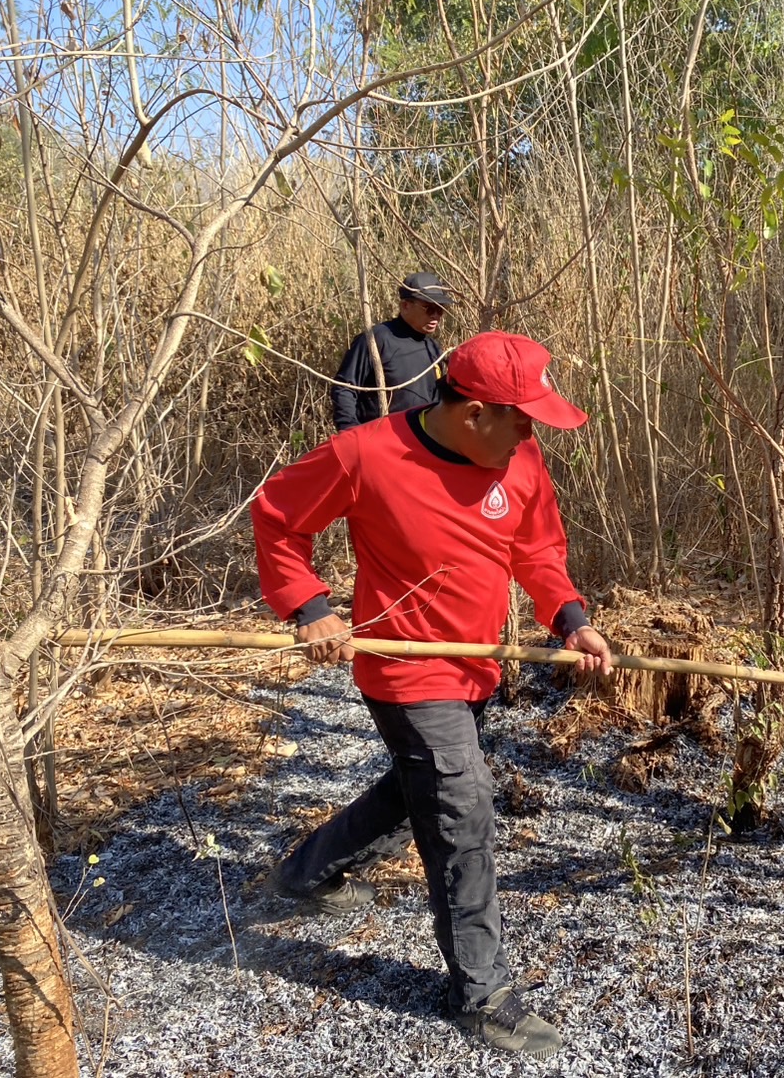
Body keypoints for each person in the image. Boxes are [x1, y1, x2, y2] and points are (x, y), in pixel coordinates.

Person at [254, 330, 612, 1059]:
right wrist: (309, 606)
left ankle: (304, 872)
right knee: (460, 808)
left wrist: (570, 618)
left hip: (475, 665)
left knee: (419, 786)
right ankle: (483, 995)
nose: (531, 431)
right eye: (521, 417)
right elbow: (277, 517)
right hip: (405, 670)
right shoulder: (367, 455)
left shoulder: (518, 457)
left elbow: (537, 549)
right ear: (473, 411)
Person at [330, 271, 454, 431]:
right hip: (378, 440)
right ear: (405, 306)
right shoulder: (377, 339)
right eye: (429, 308)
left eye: (440, 309)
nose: (436, 316)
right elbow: (344, 387)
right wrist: (349, 432)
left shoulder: (433, 349)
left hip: (418, 444)